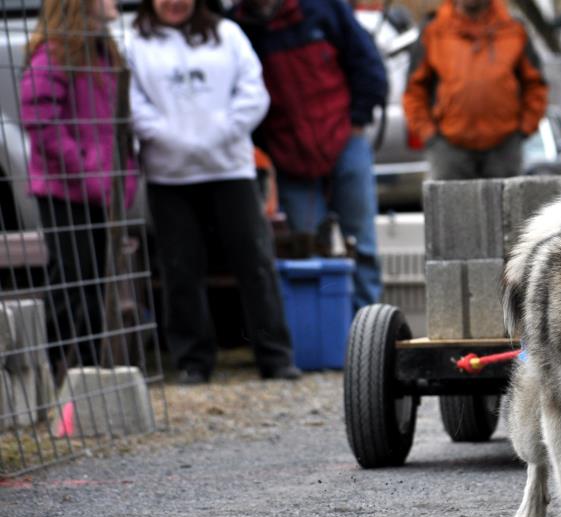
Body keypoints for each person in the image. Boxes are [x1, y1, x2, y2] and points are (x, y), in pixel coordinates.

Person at [127, 0, 301, 384]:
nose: (174, 3)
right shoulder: (135, 42)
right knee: (180, 267)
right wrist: (173, 138)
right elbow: (134, 105)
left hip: (230, 167)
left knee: (254, 262)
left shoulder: (228, 34)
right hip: (169, 175)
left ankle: (275, 356)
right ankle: (193, 361)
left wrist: (220, 132)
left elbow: (254, 93)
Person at [229, 0, 387, 313]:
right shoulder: (237, 28)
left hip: (345, 140)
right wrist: (269, 147)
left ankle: (370, 329)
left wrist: (358, 118)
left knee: (363, 246)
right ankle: (328, 334)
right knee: (309, 253)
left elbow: (366, 63)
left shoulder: (323, 8)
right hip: (290, 159)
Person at [20, 0, 139, 378]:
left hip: (102, 188)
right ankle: (56, 364)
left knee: (96, 281)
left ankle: (88, 368)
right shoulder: (53, 54)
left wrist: (124, 176)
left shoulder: (104, 52)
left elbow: (120, 126)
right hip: (64, 190)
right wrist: (86, 168)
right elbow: (40, 121)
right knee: (73, 280)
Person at [402, 0, 548, 180]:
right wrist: (429, 135)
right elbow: (414, 90)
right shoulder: (434, 30)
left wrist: (523, 129)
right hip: (449, 150)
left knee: (505, 207)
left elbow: (535, 85)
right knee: (451, 207)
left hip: (504, 149)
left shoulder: (513, 28)